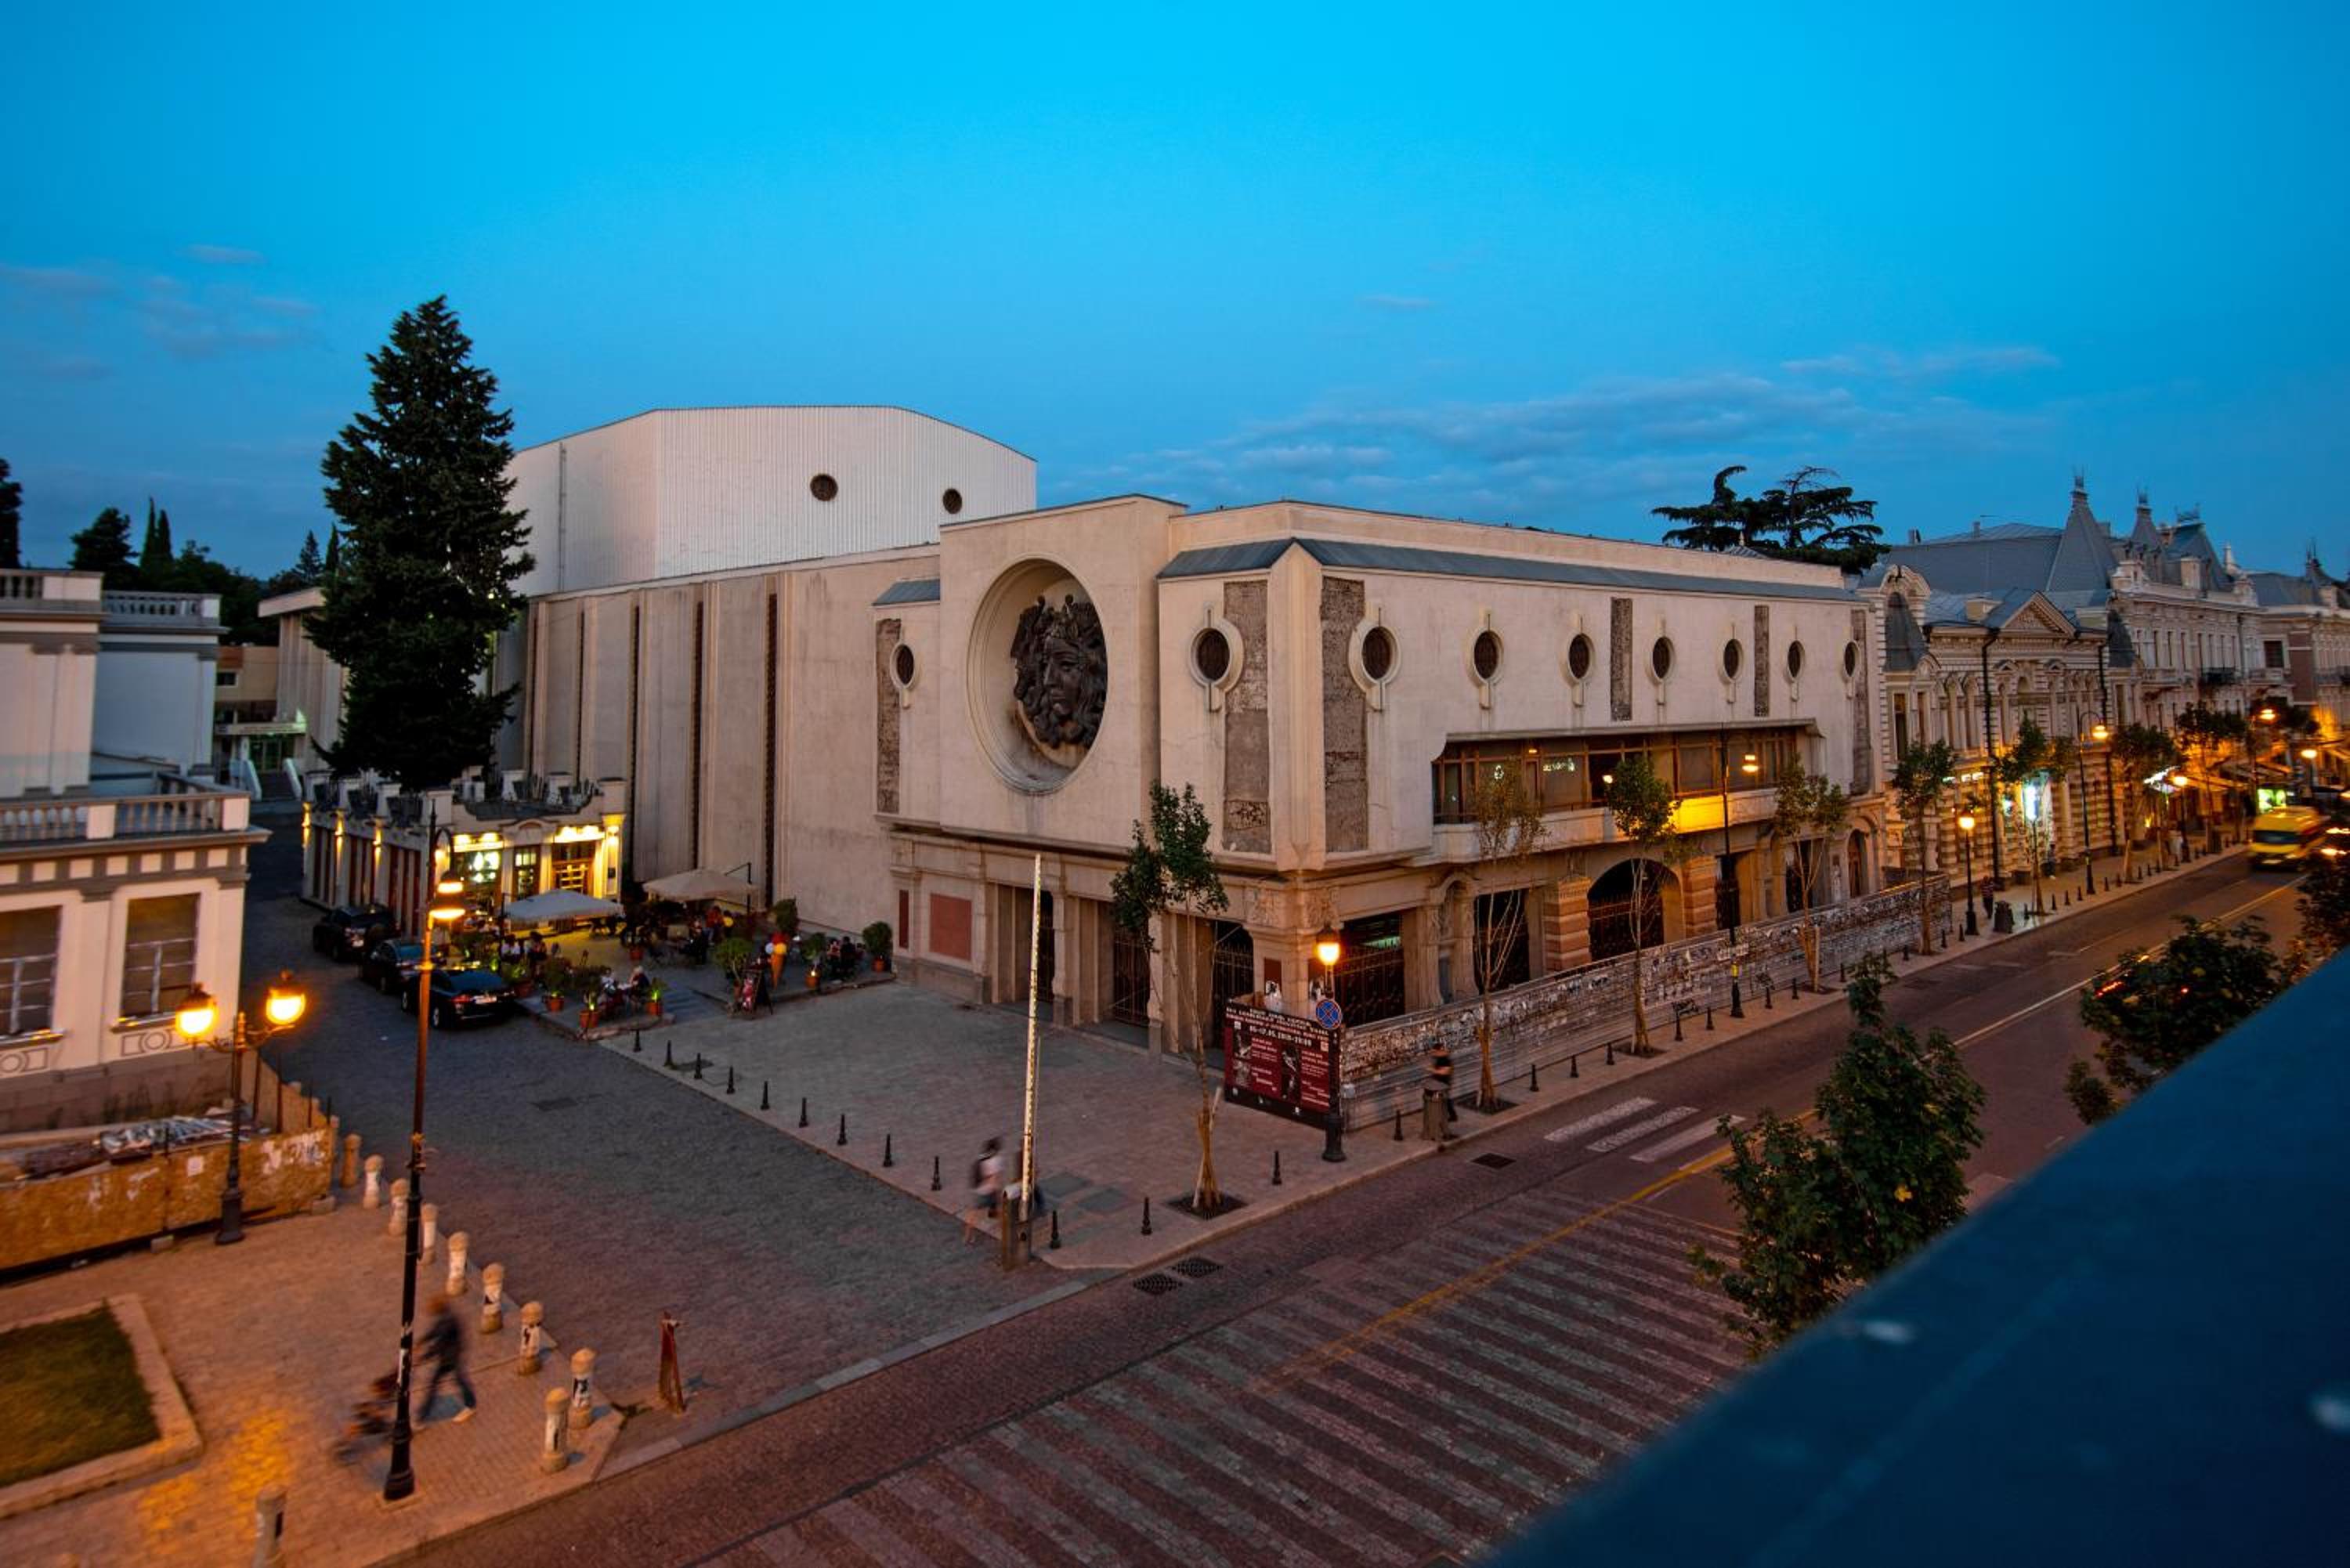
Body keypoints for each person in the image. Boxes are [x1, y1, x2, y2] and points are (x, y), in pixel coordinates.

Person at [414, 1293, 475, 1425]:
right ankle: (422, 1416)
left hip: (452, 1358)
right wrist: (421, 1342)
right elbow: (434, 1331)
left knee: (458, 1381)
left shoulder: (448, 1321)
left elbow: (439, 1344)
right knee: (451, 1382)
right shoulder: (445, 1317)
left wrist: (423, 1357)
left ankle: (470, 1406)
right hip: (448, 1357)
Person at [964, 1137, 1005, 1245]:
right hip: (989, 1191)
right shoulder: (996, 1160)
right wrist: (998, 1192)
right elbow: (995, 1179)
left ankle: (967, 1236)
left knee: (973, 1214)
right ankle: (1005, 1234)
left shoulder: (981, 1157)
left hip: (978, 1190)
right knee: (1001, 1209)